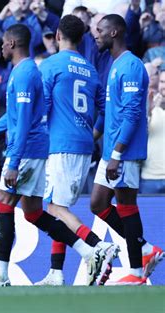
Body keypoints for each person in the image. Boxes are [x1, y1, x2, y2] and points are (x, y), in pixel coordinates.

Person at [0, 24, 107, 287]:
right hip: (37, 149)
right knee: (33, 212)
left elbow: (25, 121)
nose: (1, 48)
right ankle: (90, 252)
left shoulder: (26, 73)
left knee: (3, 204)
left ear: (12, 44)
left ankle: (1, 275)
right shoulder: (24, 71)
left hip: (27, 150)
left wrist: (14, 162)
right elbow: (15, 116)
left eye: (3, 43)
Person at [35, 15, 119, 286]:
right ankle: (56, 272)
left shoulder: (50, 65)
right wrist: (91, 134)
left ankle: (97, 247)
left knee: (56, 208)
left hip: (61, 145)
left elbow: (42, 107)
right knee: (60, 205)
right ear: (82, 38)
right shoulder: (91, 69)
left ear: (58, 35)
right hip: (84, 144)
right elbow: (105, 112)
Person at [91, 14, 163, 285]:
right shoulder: (115, 65)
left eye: (100, 30)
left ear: (115, 32)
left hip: (124, 152)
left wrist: (117, 154)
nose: (95, 34)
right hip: (111, 150)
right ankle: (144, 249)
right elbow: (112, 113)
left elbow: (133, 114)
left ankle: (135, 273)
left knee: (126, 205)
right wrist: (95, 138)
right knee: (98, 203)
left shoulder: (132, 66)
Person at [140, 70, 165, 194]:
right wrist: (148, 113)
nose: (164, 86)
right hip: (149, 178)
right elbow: (137, 136)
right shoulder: (149, 106)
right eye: (161, 82)